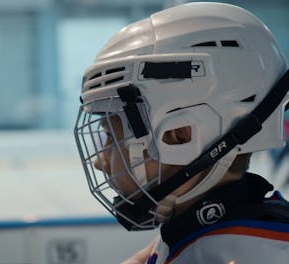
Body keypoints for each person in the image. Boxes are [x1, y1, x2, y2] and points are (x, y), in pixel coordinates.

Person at [74, 2, 289, 263]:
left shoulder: (224, 252)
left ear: (181, 135)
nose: (98, 161)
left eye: (111, 137)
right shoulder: (200, 232)